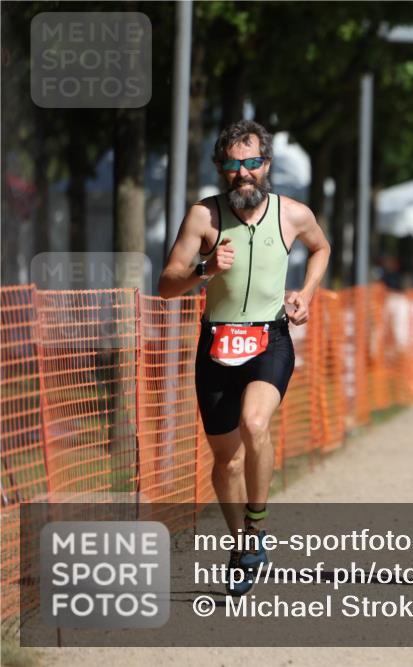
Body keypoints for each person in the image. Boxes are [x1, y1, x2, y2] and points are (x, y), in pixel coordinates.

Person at [158, 120, 330, 596]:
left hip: (270, 339)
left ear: (266, 164)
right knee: (226, 461)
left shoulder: (293, 214)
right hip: (216, 343)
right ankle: (241, 546)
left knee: (255, 424)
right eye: (233, 165)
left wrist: (307, 293)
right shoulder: (203, 217)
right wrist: (204, 268)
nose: (243, 173)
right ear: (221, 169)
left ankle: (256, 524)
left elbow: (321, 248)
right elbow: (167, 284)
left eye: (252, 162)